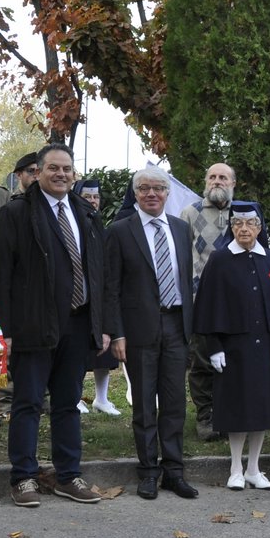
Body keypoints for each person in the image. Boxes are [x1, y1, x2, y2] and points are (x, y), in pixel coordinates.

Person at [0, 142, 109, 508]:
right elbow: (1, 276)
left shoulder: (86, 215)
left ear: (74, 175)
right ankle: (22, 477)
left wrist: (101, 323)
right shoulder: (15, 214)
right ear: (37, 172)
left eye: (67, 169)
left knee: (68, 403)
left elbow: (98, 274)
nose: (61, 174)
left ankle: (68, 475)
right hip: (32, 325)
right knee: (27, 402)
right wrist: (4, 328)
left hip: (76, 323)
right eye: (53, 168)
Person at [103, 168, 196, 500]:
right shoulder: (119, 231)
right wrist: (116, 333)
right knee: (144, 404)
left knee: (174, 404)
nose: (152, 194)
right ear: (136, 193)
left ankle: (174, 471)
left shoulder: (183, 230)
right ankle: (148, 472)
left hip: (176, 325)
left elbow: (187, 280)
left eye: (158, 188)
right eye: (144, 188)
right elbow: (111, 287)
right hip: (139, 328)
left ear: (167, 193)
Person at [195, 200, 270, 490]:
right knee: (237, 409)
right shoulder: (220, 260)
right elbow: (209, 307)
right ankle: (235, 468)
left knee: (260, 409)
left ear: (259, 227)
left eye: (250, 224)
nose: (244, 229)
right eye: (238, 224)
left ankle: (254, 468)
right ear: (231, 227)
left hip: (266, 348)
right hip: (233, 350)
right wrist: (214, 348)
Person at [179, 161, 236, 440]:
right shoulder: (190, 213)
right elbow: (181, 257)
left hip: (237, 301)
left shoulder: (244, 213)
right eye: (212, 177)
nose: (217, 181)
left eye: (223, 177)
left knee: (234, 359)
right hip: (201, 298)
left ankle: (230, 413)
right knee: (202, 360)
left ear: (233, 184)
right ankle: (205, 415)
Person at [73, 179, 120, 417]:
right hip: (81, 299)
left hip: (101, 296)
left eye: (96, 197)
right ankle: (76, 396)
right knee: (81, 353)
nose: (92, 201)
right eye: (87, 196)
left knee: (105, 353)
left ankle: (101, 398)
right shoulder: (73, 222)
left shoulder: (101, 223)